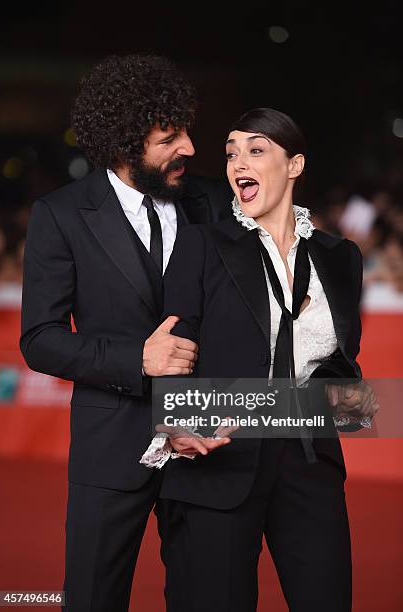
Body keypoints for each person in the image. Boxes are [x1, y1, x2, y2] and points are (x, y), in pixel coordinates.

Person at [19, 54, 232, 612]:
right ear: (122, 144)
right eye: (169, 137)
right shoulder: (61, 215)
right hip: (111, 449)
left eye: (187, 129)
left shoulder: (213, 203)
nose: (188, 146)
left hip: (206, 445)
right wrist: (138, 358)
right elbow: (40, 338)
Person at [154, 108, 379, 612]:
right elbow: (174, 346)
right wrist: (176, 423)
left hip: (309, 467)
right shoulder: (203, 244)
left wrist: (354, 407)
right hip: (217, 463)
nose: (239, 163)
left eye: (256, 150)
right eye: (231, 152)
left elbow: (345, 373)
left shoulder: (340, 258)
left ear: (294, 165)